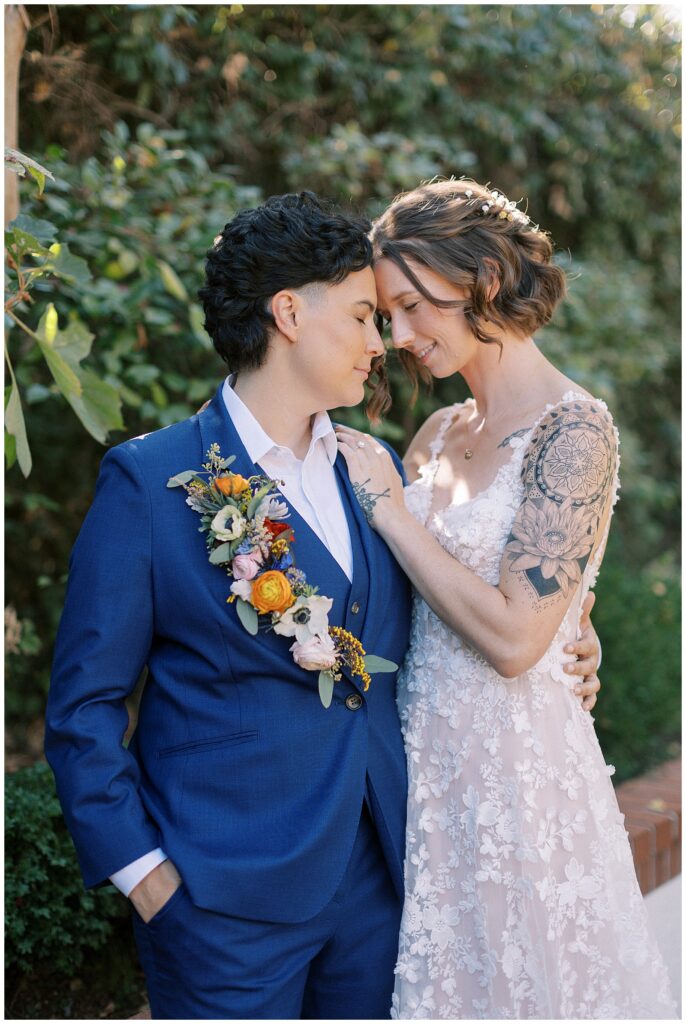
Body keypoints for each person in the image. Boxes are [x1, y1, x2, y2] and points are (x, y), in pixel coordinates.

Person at [44, 191, 601, 1021]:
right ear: (289, 314)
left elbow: (465, 602)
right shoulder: (153, 481)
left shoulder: (370, 466)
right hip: (220, 905)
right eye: (364, 317)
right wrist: (143, 874)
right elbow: (82, 706)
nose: (384, 347)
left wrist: (575, 637)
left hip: (383, 887)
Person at [336, 178, 676, 1019]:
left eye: (416, 306)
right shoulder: (440, 432)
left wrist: (385, 504)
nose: (401, 335)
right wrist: (578, 617)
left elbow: (518, 640)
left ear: (483, 276)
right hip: (427, 774)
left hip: (521, 783)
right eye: (389, 313)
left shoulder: (575, 432)